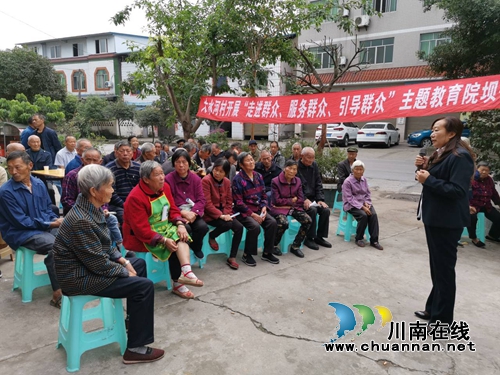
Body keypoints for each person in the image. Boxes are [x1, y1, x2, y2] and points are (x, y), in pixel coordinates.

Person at [53, 164, 165, 364]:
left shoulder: (91, 208)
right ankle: (135, 349)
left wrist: (122, 260)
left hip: (89, 266)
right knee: (143, 286)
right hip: (79, 278)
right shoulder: (81, 220)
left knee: (137, 264)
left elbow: (105, 244)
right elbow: (98, 264)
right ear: (95, 191)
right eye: (110, 186)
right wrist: (124, 272)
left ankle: (133, 322)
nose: (113, 190)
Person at [414, 116, 475, 326]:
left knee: (444, 271)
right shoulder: (441, 153)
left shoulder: (460, 156)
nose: (432, 134)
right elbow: (433, 180)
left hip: (447, 222)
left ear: (451, 134)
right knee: (437, 268)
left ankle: (443, 320)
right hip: (436, 218)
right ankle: (433, 309)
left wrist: (428, 179)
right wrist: (422, 169)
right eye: (432, 129)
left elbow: (457, 190)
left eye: (437, 129)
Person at [123, 161, 203, 299]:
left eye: (162, 173)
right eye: (157, 175)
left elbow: (173, 209)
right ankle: (178, 283)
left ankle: (186, 272)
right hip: (142, 235)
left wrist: (180, 223)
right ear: (146, 179)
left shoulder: (165, 187)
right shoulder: (135, 198)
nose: (162, 178)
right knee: (172, 244)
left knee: (182, 234)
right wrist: (162, 240)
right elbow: (141, 229)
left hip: (163, 226)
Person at [0, 151, 62, 308]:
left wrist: (54, 219)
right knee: (56, 245)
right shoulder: (6, 192)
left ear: (30, 166)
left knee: (72, 236)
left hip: (42, 226)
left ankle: (67, 278)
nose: (13, 172)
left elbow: (47, 208)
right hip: (20, 232)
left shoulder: (39, 184)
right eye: (10, 168)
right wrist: (50, 224)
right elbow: (21, 222)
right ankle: (58, 292)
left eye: (17, 167)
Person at [61, 148, 123, 248]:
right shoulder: (73, 175)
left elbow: (104, 197)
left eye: (95, 160)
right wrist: (89, 212)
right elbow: (66, 200)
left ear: (100, 161)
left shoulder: (103, 176)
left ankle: (117, 247)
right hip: (81, 215)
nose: (91, 163)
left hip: (98, 213)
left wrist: (104, 209)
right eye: (88, 159)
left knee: (112, 220)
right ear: (82, 160)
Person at [232, 152, 279, 266]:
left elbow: (263, 195)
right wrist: (252, 215)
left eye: (252, 159)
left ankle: (267, 252)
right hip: (243, 211)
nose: (251, 162)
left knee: (272, 222)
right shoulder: (237, 179)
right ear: (242, 165)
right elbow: (238, 202)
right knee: (254, 226)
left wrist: (264, 207)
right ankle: (247, 254)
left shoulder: (258, 176)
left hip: (258, 208)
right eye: (248, 160)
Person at [164, 149, 208, 259]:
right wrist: (182, 213)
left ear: (189, 163)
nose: (181, 165)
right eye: (178, 162)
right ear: (174, 164)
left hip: (193, 212)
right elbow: (168, 202)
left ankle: (196, 247)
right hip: (176, 213)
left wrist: (193, 213)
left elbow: (201, 199)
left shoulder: (196, 179)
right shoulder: (168, 179)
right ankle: (184, 255)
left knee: (202, 227)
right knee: (186, 229)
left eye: (184, 162)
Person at [202, 158, 244, 270]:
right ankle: (212, 236)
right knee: (227, 224)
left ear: (225, 173)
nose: (217, 173)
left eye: (221, 171)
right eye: (216, 170)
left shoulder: (227, 182)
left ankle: (232, 257)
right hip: (210, 214)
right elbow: (207, 204)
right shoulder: (206, 180)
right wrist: (221, 216)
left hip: (224, 214)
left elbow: (229, 201)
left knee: (239, 227)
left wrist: (227, 214)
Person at [270, 160, 312, 258]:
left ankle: (295, 246)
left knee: (307, 220)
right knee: (283, 223)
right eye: (290, 168)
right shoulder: (275, 181)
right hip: (279, 209)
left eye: (295, 169)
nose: (292, 171)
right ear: (285, 168)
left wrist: (293, 202)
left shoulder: (297, 181)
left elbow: (301, 199)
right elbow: (276, 201)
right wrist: (291, 200)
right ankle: (273, 245)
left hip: (294, 208)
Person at [342, 160, 383, 250]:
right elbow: (349, 198)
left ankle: (374, 241)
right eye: (357, 169)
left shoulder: (364, 180)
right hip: (351, 205)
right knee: (363, 215)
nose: (359, 171)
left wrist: (367, 203)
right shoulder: (348, 182)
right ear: (353, 170)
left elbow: (367, 193)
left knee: (373, 215)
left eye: (361, 169)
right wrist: (362, 207)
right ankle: (359, 238)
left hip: (364, 203)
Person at [297, 147, 332, 250]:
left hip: (314, 198)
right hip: (300, 199)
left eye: (313, 158)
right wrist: (304, 198)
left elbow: (318, 183)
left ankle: (319, 237)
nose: (311, 160)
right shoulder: (296, 167)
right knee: (312, 210)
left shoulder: (314, 165)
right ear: (301, 156)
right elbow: (295, 187)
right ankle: (309, 238)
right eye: (308, 157)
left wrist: (320, 199)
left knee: (325, 210)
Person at [105, 140, 141, 225]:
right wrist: (125, 205)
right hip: (118, 204)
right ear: (116, 153)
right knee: (126, 219)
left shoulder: (138, 168)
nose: (125, 154)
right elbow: (112, 193)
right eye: (122, 151)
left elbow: (141, 188)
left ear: (132, 153)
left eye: (128, 151)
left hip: (135, 202)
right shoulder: (109, 169)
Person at [467, 161, 500, 246]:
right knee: (472, 217)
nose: (484, 172)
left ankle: (492, 236)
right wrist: (468, 206)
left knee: (498, 217)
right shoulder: (471, 178)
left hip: (486, 205)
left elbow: (494, 194)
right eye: (482, 170)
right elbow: (464, 193)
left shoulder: (489, 180)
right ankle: (474, 238)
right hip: (473, 205)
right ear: (477, 169)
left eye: (487, 170)